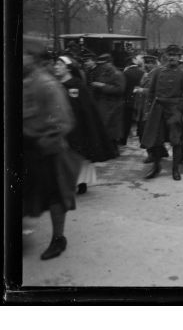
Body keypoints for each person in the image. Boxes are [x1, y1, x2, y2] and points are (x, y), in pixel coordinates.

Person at [23, 44, 80, 260]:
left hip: (47, 150)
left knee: (56, 196)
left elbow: (64, 121)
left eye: (25, 55)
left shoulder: (47, 85)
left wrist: (45, 141)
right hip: (26, 148)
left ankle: (58, 239)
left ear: (34, 59)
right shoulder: (23, 81)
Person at [53, 55, 117, 194]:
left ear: (68, 68)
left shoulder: (77, 85)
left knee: (79, 155)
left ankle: (81, 182)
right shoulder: (56, 85)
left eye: (59, 64)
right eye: (55, 64)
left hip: (78, 129)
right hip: (61, 128)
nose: (56, 67)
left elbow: (87, 109)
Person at [141, 45, 183, 181]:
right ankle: (156, 166)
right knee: (155, 140)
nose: (172, 57)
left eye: (175, 55)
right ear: (166, 56)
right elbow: (151, 92)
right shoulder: (158, 72)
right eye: (170, 55)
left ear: (179, 57)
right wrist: (149, 109)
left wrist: (179, 108)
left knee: (175, 140)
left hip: (174, 110)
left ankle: (175, 169)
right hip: (158, 109)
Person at [89, 54, 126, 154]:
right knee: (106, 128)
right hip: (104, 105)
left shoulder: (117, 74)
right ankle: (109, 150)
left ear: (109, 63)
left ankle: (114, 151)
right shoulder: (104, 73)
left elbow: (120, 89)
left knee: (112, 130)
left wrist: (103, 86)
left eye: (104, 64)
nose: (102, 66)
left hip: (113, 105)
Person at [122, 56, 145, 145]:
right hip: (139, 99)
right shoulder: (142, 72)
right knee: (140, 119)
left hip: (128, 99)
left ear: (128, 64)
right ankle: (141, 139)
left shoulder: (125, 73)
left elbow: (124, 87)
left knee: (127, 121)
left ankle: (124, 140)